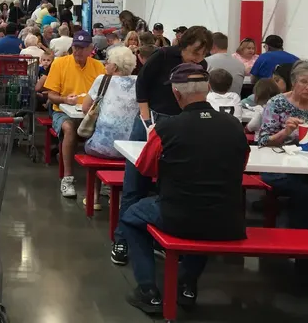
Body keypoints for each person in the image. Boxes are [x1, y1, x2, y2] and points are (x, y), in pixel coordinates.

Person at [120, 63, 249, 315]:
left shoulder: (166, 129)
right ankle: (187, 284)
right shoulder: (234, 126)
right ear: (208, 88)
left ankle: (148, 290)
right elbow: (241, 165)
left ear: (176, 93)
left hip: (177, 215)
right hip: (228, 219)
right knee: (205, 218)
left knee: (131, 216)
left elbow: (146, 168)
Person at [111, 25, 212, 266]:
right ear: (184, 45)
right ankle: (122, 239)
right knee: (134, 182)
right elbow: (142, 88)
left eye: (203, 54)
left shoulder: (201, 68)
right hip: (150, 120)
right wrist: (147, 122)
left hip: (179, 127)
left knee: (168, 184)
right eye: (195, 52)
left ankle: (158, 239)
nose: (198, 58)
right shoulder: (162, 56)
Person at [258, 60, 308, 261]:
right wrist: (286, 131)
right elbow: (263, 141)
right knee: (306, 195)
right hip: (278, 168)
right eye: (304, 82)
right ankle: (305, 253)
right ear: (293, 82)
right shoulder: (277, 103)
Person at [44, 30, 106, 198]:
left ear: (91, 49)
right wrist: (64, 99)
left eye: (82, 47)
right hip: (62, 111)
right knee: (69, 128)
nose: (78, 51)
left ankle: (101, 181)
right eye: (76, 47)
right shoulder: (59, 63)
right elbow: (51, 95)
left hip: (89, 113)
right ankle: (68, 178)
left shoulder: (98, 67)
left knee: (105, 128)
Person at [80, 47, 139, 209]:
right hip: (130, 148)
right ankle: (118, 196)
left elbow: (86, 108)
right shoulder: (139, 82)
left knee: (93, 141)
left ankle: (95, 197)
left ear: (115, 66)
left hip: (103, 147)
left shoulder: (103, 80)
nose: (105, 64)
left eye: (108, 62)